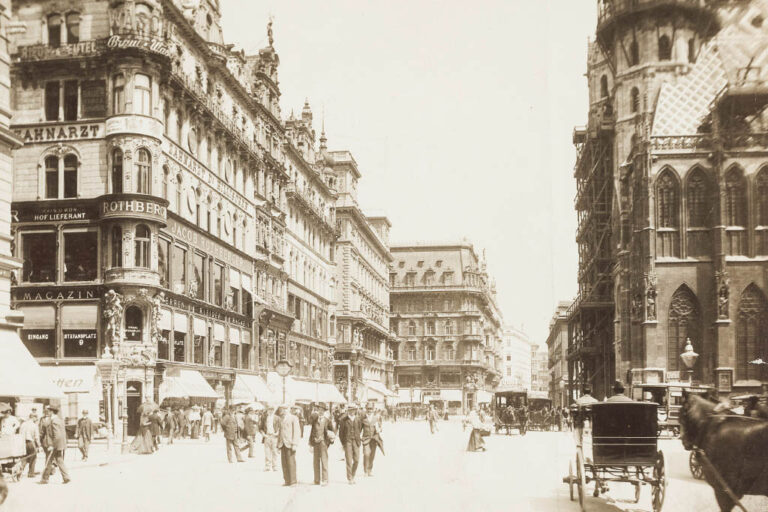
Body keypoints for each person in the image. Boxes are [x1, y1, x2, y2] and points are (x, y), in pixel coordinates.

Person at [39, 406, 70, 484]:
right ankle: (66, 477)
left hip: (54, 445)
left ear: (52, 412)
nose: (47, 412)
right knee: (59, 460)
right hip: (59, 445)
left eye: (48, 411)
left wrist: (52, 445)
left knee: (48, 461)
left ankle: (45, 479)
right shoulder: (60, 420)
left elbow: (57, 435)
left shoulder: (54, 421)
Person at [338, 403, 363, 484]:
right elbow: (341, 433)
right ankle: (350, 478)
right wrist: (343, 443)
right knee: (349, 460)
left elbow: (359, 429)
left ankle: (352, 474)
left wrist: (357, 438)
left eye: (353, 410)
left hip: (356, 441)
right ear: (348, 410)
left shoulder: (358, 419)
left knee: (356, 460)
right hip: (347, 441)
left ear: (355, 410)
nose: (352, 411)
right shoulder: (343, 420)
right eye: (350, 410)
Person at [309, 402, 332, 486]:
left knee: (324, 461)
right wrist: (311, 442)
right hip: (315, 443)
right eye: (319, 410)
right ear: (317, 410)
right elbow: (312, 431)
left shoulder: (327, 421)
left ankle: (325, 480)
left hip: (323, 443)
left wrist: (327, 442)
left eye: (322, 410)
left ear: (324, 411)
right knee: (315, 462)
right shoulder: (314, 420)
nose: (320, 411)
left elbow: (332, 432)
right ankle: (316, 480)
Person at [277, 404, 300, 487]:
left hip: (290, 443)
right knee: (284, 463)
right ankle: (287, 480)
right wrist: (278, 445)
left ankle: (293, 481)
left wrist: (295, 444)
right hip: (282, 443)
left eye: (285, 409)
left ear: (289, 409)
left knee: (291, 462)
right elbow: (280, 432)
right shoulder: (281, 419)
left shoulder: (293, 418)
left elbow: (296, 431)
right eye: (282, 409)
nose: (284, 410)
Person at [361, 404, 381, 477]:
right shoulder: (363, 419)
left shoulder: (376, 418)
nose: (369, 410)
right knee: (366, 454)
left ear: (373, 410)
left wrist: (378, 428)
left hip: (373, 439)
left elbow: (380, 428)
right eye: (368, 409)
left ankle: (370, 470)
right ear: (366, 409)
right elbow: (359, 429)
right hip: (365, 439)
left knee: (372, 455)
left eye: (370, 409)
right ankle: (365, 471)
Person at [19, 413, 40, 477]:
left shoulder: (23, 424)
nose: (36, 420)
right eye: (36, 418)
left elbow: (20, 433)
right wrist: (38, 445)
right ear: (33, 417)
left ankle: (19, 471)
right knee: (33, 457)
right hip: (30, 442)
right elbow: (36, 437)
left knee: (24, 458)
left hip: (22, 442)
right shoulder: (34, 425)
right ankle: (31, 473)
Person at [259, 405, 280, 472]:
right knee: (267, 452)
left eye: (272, 410)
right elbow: (260, 428)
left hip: (274, 437)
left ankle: (275, 466)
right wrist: (264, 435)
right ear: (267, 410)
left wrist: (277, 433)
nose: (270, 411)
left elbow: (280, 427)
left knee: (275, 452)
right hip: (267, 436)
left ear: (274, 410)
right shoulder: (264, 418)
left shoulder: (277, 418)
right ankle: (267, 466)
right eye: (269, 410)